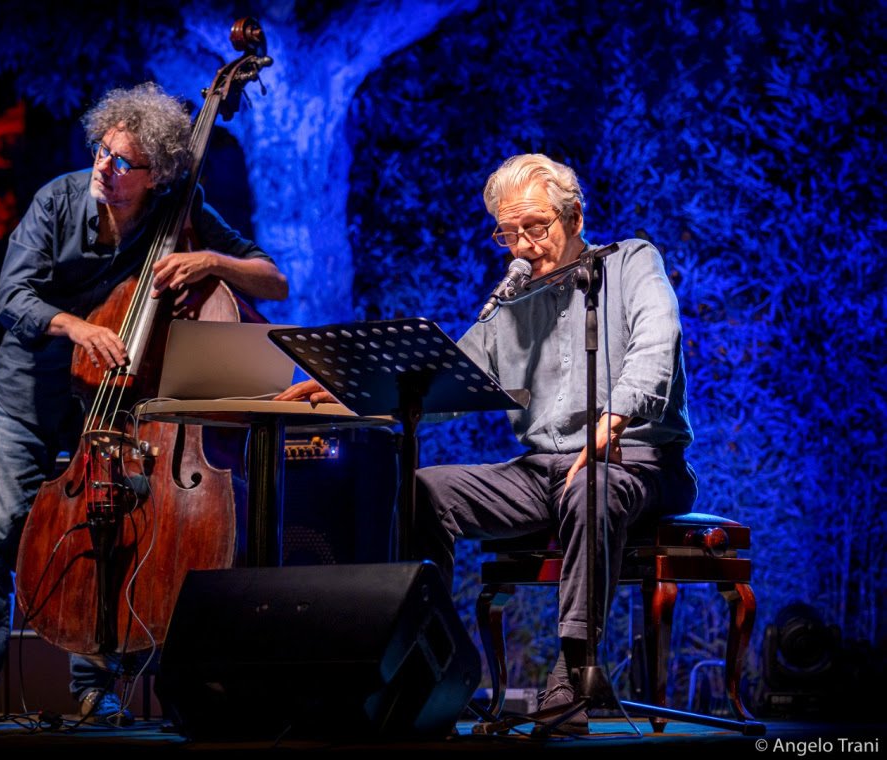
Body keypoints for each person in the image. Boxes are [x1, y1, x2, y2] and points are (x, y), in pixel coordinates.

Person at [277, 153, 695, 735]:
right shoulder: (511, 300)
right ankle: (430, 666)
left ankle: (574, 674)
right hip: (542, 469)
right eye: (508, 232)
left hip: (637, 461)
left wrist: (615, 415)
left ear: (573, 217)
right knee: (426, 491)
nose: (521, 244)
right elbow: (449, 375)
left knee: (592, 487)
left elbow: (659, 337)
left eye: (536, 227)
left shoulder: (630, 262)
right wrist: (355, 388)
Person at [0, 83, 288, 723]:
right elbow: (10, 299)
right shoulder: (57, 203)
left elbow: (273, 279)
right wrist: (79, 327)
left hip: (111, 396)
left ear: (159, 174)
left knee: (106, 527)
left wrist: (209, 260)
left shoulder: (181, 207)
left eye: (124, 162)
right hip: (30, 390)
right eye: (102, 151)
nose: (105, 167)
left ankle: (95, 689)